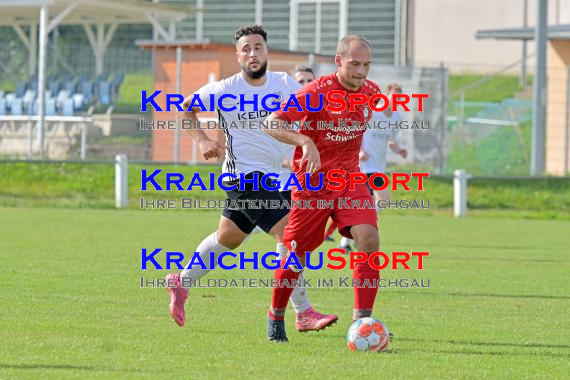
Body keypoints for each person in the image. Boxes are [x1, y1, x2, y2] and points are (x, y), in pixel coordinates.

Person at [165, 25, 337, 332]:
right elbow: (186, 108)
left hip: (280, 179)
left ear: (267, 51)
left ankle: (182, 281)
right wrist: (203, 141)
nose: (252, 54)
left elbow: (314, 112)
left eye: (258, 47)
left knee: (228, 238)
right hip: (243, 178)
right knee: (290, 235)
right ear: (237, 55)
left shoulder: (285, 84)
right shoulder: (224, 89)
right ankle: (303, 312)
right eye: (246, 49)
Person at [263, 35, 387, 342]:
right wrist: (305, 141)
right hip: (313, 184)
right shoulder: (315, 91)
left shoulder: (371, 92)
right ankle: (276, 316)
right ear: (338, 61)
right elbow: (271, 123)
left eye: (367, 64)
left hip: (350, 180)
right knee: (294, 256)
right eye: (355, 63)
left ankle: (363, 324)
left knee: (369, 239)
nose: (362, 71)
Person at [338, 83, 408, 251]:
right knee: (383, 199)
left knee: (363, 206)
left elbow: (390, 140)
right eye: (393, 97)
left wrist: (399, 151)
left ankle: (347, 241)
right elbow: (356, 131)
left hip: (378, 166)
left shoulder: (396, 118)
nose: (396, 100)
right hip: (364, 166)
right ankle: (363, 231)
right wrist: (360, 151)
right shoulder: (373, 114)